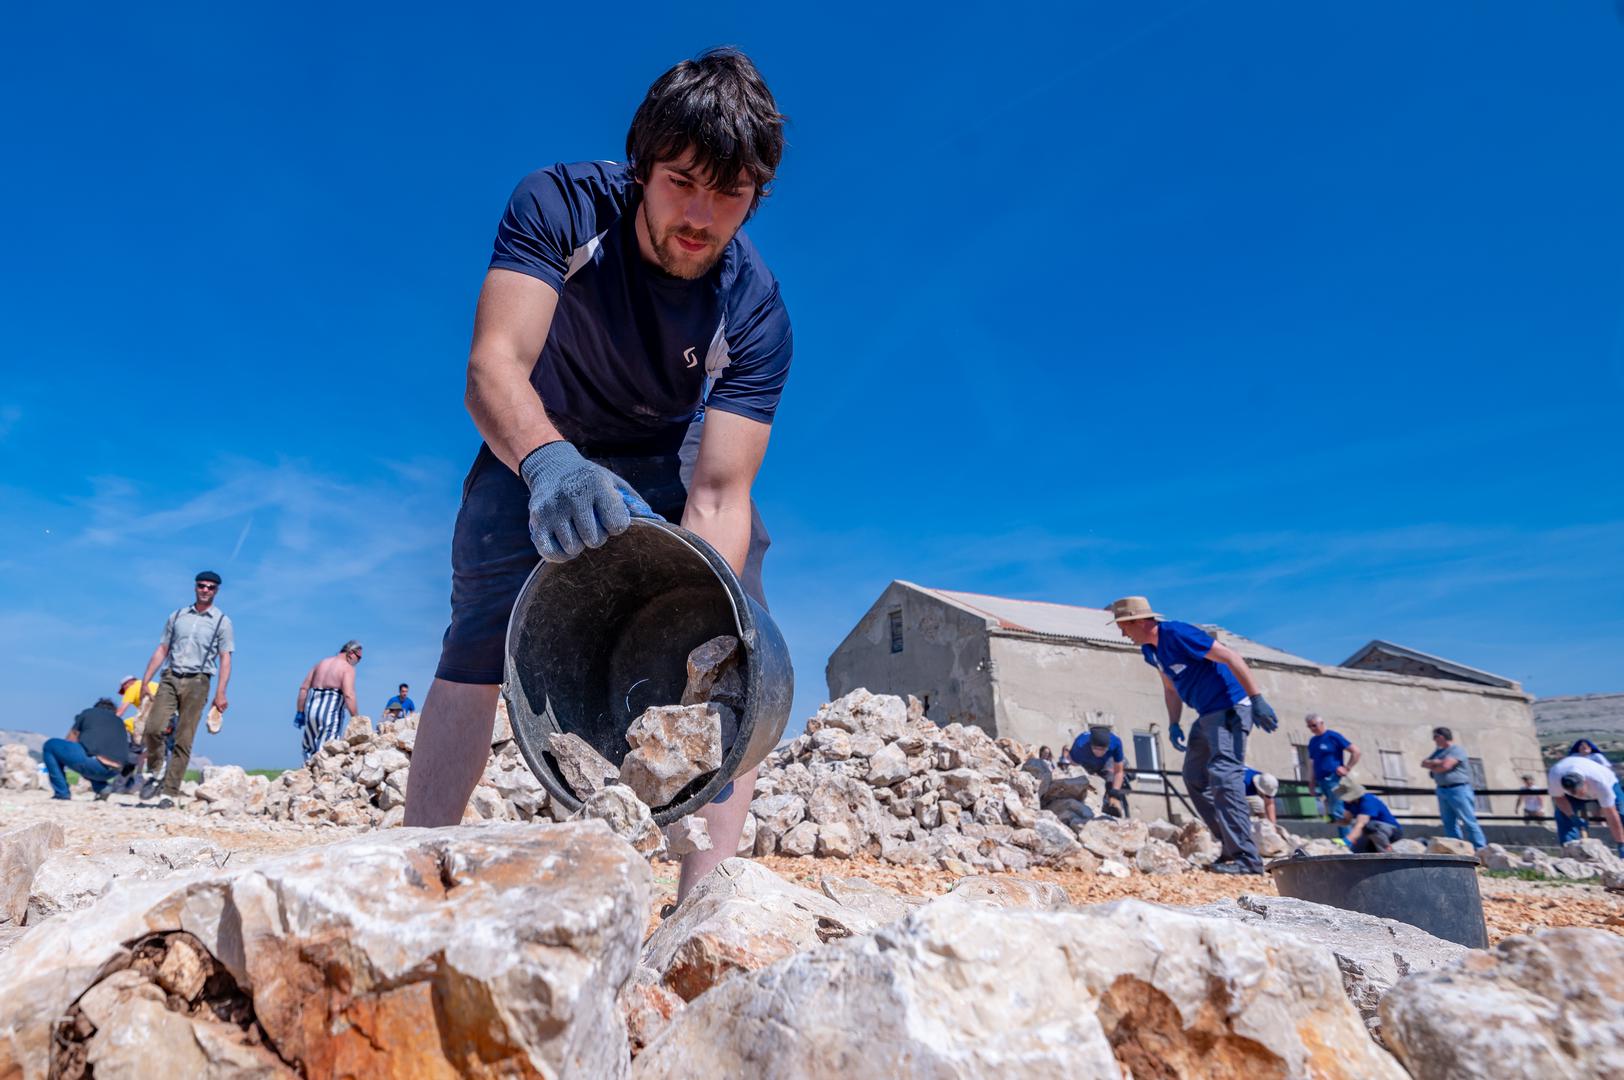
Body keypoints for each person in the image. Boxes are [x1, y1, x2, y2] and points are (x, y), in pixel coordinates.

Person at [403, 49, 791, 904]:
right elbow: (494, 366)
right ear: (641, 164)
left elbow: (721, 491)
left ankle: (702, 915)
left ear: (755, 194)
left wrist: (702, 622)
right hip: (539, 437)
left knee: (739, 652)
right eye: (682, 180)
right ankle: (416, 873)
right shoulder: (561, 204)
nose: (700, 215)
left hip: (667, 455)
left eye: (729, 194)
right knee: (474, 647)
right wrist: (547, 464)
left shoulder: (753, 309)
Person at [1107, 596, 1280, 875]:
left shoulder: (1177, 634)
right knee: (1195, 778)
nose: (1122, 633)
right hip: (1206, 715)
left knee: (1225, 776)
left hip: (1230, 707)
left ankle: (1248, 859)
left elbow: (1230, 657)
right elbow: (1171, 688)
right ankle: (1230, 847)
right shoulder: (1152, 652)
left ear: (1139, 621)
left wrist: (1256, 698)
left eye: (1123, 626)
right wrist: (1174, 722)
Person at [136, 571, 234, 808]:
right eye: (202, 586)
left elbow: (226, 659)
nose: (205, 590)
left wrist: (221, 692)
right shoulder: (178, 616)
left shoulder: (222, 622)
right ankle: (156, 769)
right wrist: (145, 681)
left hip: (199, 681)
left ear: (216, 591)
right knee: (153, 727)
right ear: (195, 587)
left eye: (211, 587)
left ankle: (169, 792)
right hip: (171, 675)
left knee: (184, 737)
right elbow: (162, 649)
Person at [41, 698, 135, 801]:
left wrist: (65, 757)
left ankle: (62, 793)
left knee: (50, 745)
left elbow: (71, 740)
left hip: (94, 764)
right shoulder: (119, 722)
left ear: (96, 707)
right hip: (115, 771)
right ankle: (102, 787)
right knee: (90, 752)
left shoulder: (88, 713)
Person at [1420, 726, 1486, 850]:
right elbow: (1424, 763)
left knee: (1468, 821)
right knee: (1449, 823)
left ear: (1442, 737)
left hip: (1458, 789)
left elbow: (1446, 766)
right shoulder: (1438, 752)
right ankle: (1456, 849)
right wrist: (1438, 764)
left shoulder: (1456, 750)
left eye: (1435, 737)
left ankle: (1480, 849)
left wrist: (1435, 765)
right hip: (1442, 789)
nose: (1434, 740)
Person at [296, 642, 364, 760]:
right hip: (330, 711)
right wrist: (356, 718)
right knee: (327, 750)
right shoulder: (347, 668)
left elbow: (303, 689)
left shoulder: (320, 664)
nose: (358, 661)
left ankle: (307, 774)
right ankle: (323, 777)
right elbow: (348, 694)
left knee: (309, 749)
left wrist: (300, 712)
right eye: (359, 658)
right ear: (351, 653)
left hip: (311, 709)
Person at [1547, 753, 1624, 853]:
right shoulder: (1555, 777)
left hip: (1610, 783)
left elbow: (1611, 814)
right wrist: (1572, 816)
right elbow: (1559, 798)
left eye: (1580, 792)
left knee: (1621, 813)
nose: (1578, 795)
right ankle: (1572, 851)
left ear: (1585, 782)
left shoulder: (1600, 783)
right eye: (1573, 793)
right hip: (1572, 783)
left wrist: (1621, 843)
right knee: (1563, 816)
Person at [1305, 714, 1361, 831]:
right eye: (1309, 726)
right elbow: (1312, 763)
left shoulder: (1333, 737)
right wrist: (1311, 782)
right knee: (1329, 811)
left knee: (1338, 809)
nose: (1312, 729)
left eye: (1314, 725)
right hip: (1321, 781)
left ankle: (1347, 842)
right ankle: (1342, 838)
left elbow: (1356, 752)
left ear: (1322, 723)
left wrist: (1347, 768)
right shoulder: (1313, 741)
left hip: (1334, 778)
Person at [1070, 724, 1131, 817]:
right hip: (1088, 761)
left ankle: (1114, 806)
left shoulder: (1116, 743)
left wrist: (1114, 792)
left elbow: (1119, 771)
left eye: (1103, 749)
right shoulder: (1080, 745)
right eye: (1096, 749)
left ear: (1108, 746)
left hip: (1108, 760)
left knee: (1110, 775)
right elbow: (1073, 765)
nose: (1099, 752)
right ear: (1090, 745)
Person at [1335, 778, 1402, 853]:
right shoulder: (1348, 803)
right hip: (1369, 833)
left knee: (1370, 826)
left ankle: (1387, 852)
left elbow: (1361, 824)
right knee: (1356, 852)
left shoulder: (1368, 800)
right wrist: (1332, 820)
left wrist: (1347, 840)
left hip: (1390, 831)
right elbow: (1346, 821)